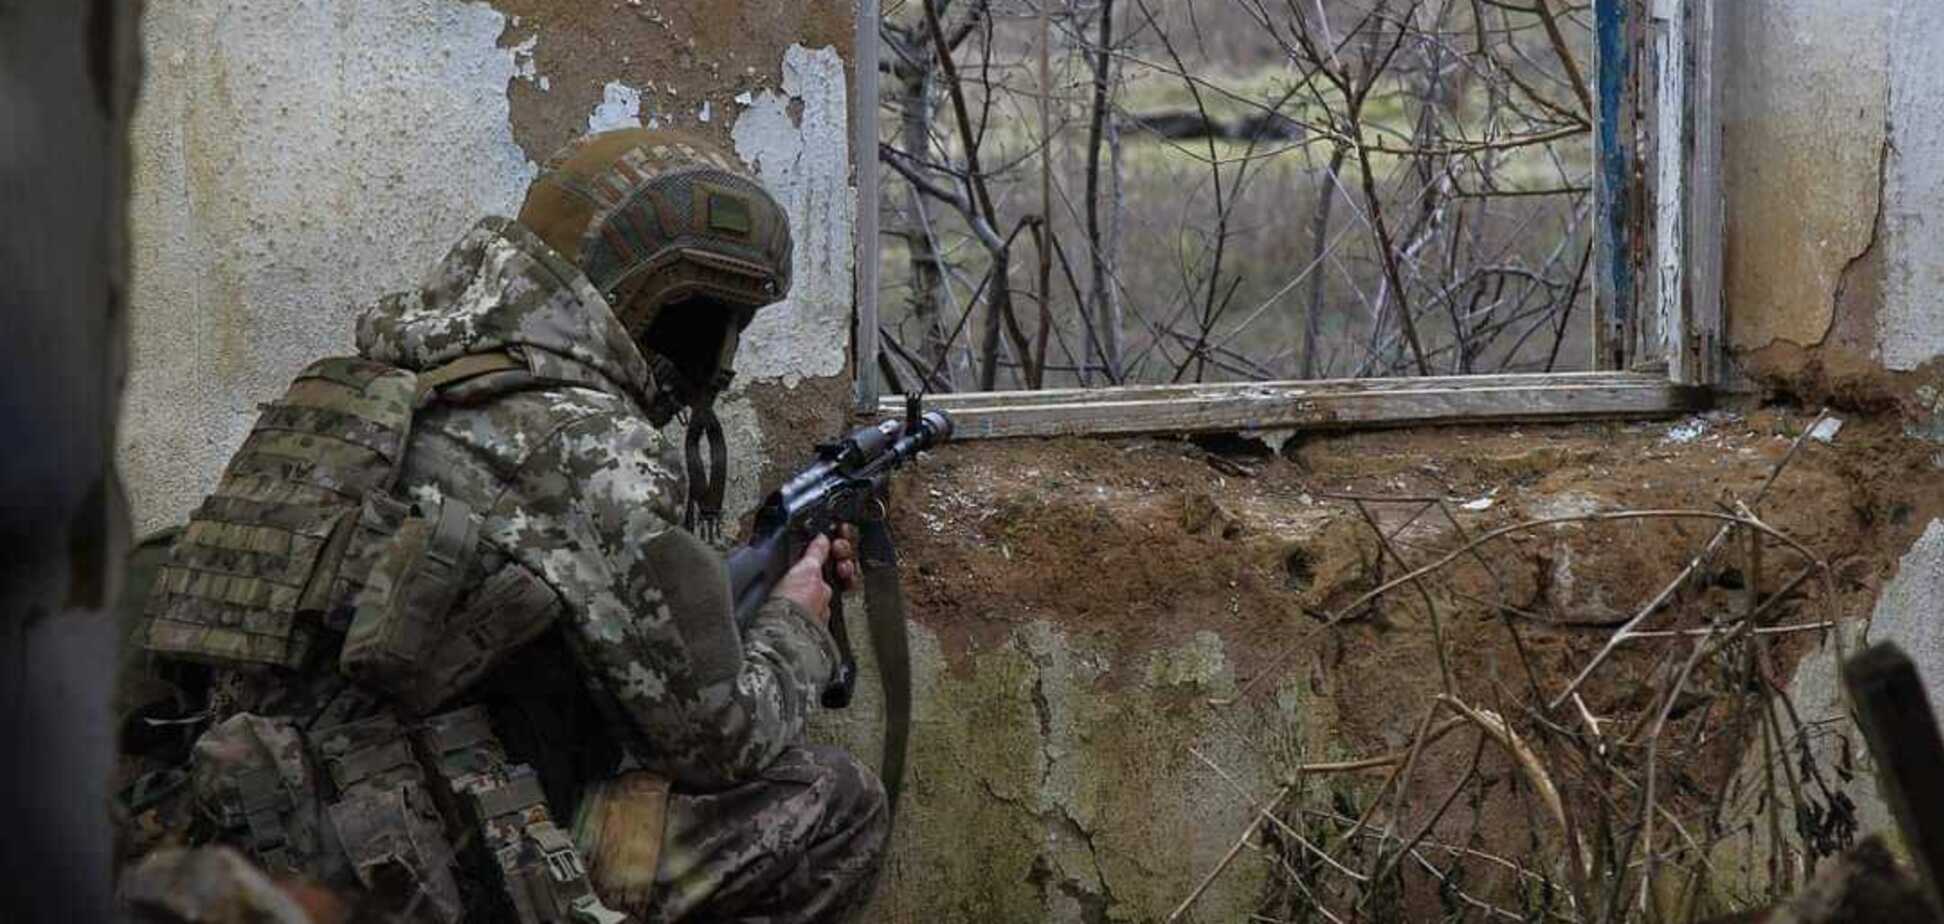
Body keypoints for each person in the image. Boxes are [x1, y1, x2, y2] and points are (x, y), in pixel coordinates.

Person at [125, 128, 887, 924]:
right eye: (715, 320)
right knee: (833, 804)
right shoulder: (590, 447)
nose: (723, 361)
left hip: (255, 828)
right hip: (436, 866)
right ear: (653, 302)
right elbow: (714, 742)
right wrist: (798, 623)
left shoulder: (377, 389)